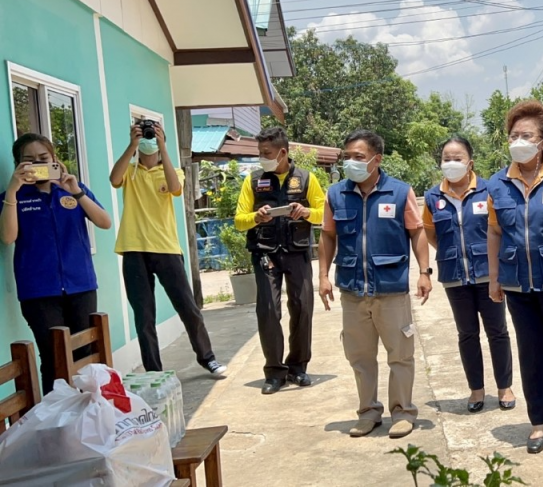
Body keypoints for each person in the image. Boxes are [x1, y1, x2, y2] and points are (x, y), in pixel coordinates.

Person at [318, 129, 432, 440]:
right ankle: (368, 412)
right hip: (353, 291)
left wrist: (424, 272)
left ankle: (403, 412)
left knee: (400, 355)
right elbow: (327, 235)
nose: (351, 162)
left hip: (391, 288)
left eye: (359, 156)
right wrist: (323, 276)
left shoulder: (399, 192)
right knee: (360, 357)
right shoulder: (336, 194)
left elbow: (417, 232)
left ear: (376, 159)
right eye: (347, 157)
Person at [487, 100, 543, 454]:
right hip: (516, 281)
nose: (518, 141)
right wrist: (494, 277)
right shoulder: (498, 183)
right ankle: (539, 420)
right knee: (531, 350)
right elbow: (494, 231)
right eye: (513, 135)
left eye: (526, 136)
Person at [110, 120, 225, 377]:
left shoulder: (173, 171)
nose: (148, 138)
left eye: (152, 134)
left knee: (188, 307)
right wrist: (132, 145)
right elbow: (114, 179)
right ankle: (154, 371)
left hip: (166, 248)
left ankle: (208, 358)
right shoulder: (130, 171)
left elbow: (175, 189)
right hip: (133, 248)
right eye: (145, 134)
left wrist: (163, 146)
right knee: (144, 316)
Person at [1, 134, 112, 393]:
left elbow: (105, 222)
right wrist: (12, 190)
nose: (37, 164)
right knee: (53, 357)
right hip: (39, 292)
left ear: (54, 159)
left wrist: (76, 191)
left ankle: (88, 409)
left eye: (43, 158)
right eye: (29, 160)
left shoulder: (73, 189)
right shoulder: (13, 197)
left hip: (81, 285)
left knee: (84, 352)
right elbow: (7, 237)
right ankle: (58, 412)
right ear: (18, 164)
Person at [422, 137, 516, 413]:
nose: (451, 163)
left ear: (470, 162)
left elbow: (499, 229)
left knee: (497, 331)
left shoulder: (488, 190)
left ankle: (504, 387)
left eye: (457, 158)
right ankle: (476, 389)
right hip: (454, 276)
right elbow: (431, 233)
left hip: (488, 273)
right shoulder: (433, 197)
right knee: (467, 334)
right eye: (446, 159)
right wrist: (453, 252)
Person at [234, 127, 324, 395]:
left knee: (303, 307)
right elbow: (239, 220)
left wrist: (306, 212)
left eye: (267, 153)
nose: (262, 158)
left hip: (297, 252)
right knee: (269, 310)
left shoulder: (306, 179)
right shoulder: (253, 181)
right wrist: (256, 217)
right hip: (265, 253)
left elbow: (323, 214)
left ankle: (298, 367)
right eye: (260, 153)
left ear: (282, 152)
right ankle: (274, 372)